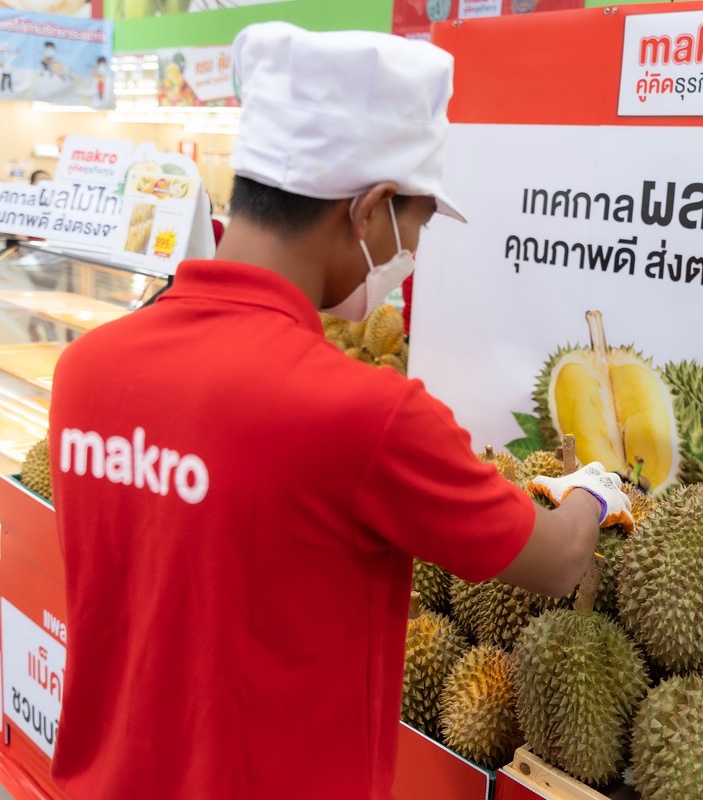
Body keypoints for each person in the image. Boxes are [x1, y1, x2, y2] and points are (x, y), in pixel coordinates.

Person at [47, 22, 631, 800]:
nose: (410, 254)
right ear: (370, 210)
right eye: (415, 228)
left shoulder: (87, 369)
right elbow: (557, 559)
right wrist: (596, 490)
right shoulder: (366, 415)